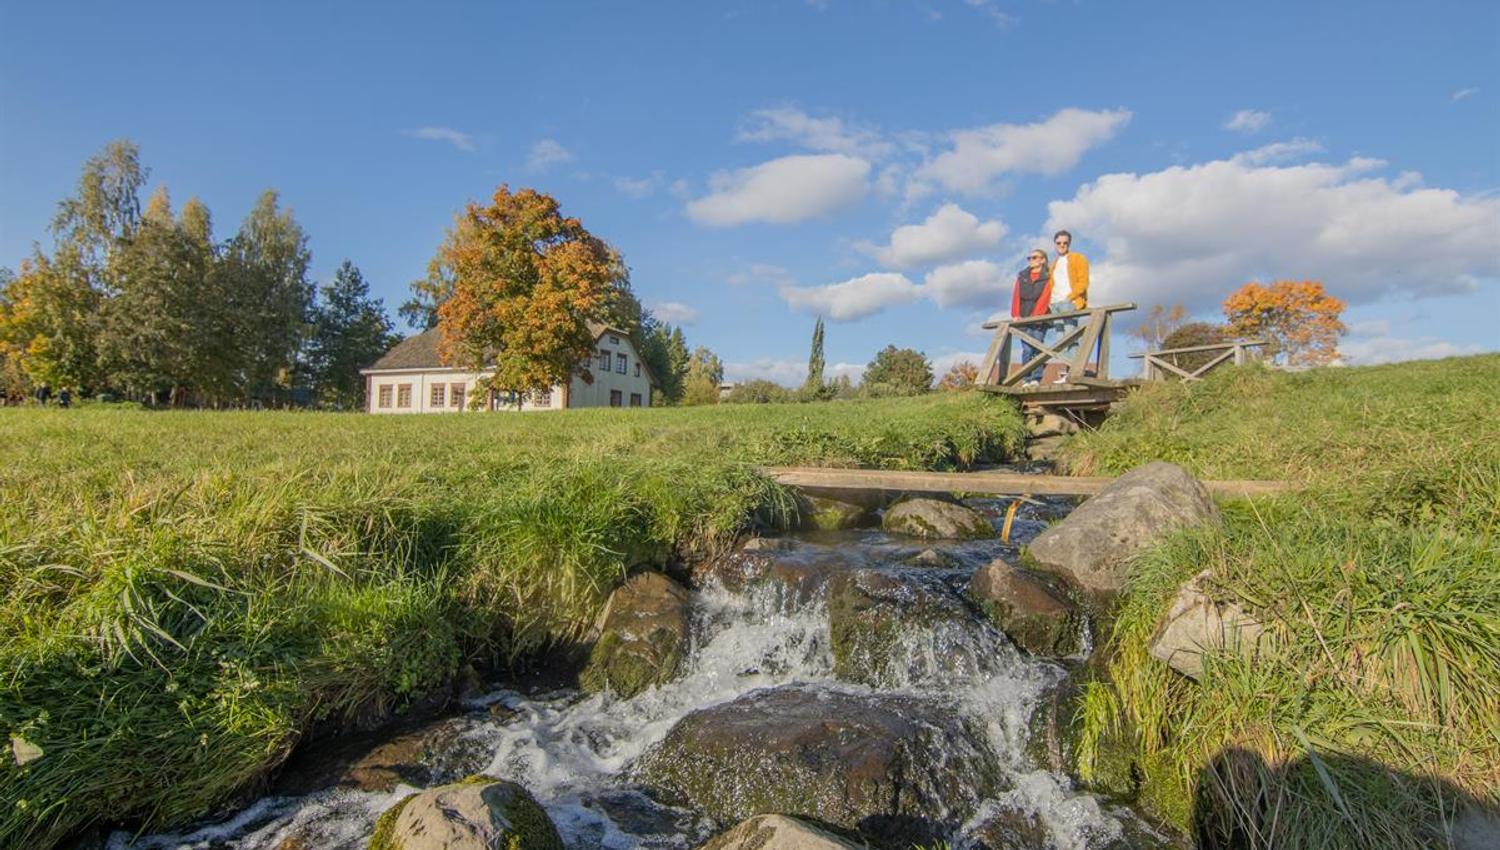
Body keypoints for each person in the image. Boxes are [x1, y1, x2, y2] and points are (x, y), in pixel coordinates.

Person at [1049, 230, 1091, 382]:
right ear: (1055, 244)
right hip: (1054, 303)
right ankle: (1068, 372)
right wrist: (1050, 302)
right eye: (1059, 243)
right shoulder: (1052, 263)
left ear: (1069, 244)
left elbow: (1083, 281)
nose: (1062, 245)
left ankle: (1074, 372)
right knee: (1060, 339)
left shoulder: (1078, 258)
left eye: (1065, 243)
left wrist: (1070, 297)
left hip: (1069, 302)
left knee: (1070, 336)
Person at [1011, 249, 1053, 386]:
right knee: (1027, 349)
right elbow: (1016, 296)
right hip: (1024, 316)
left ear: (1042, 259)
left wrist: (1037, 316)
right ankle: (1026, 377)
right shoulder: (1022, 276)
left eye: (1034, 257)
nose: (1031, 260)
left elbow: (1046, 297)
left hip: (1040, 318)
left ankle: (1036, 377)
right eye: (1029, 258)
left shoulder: (1047, 276)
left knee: (1037, 347)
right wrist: (1016, 314)